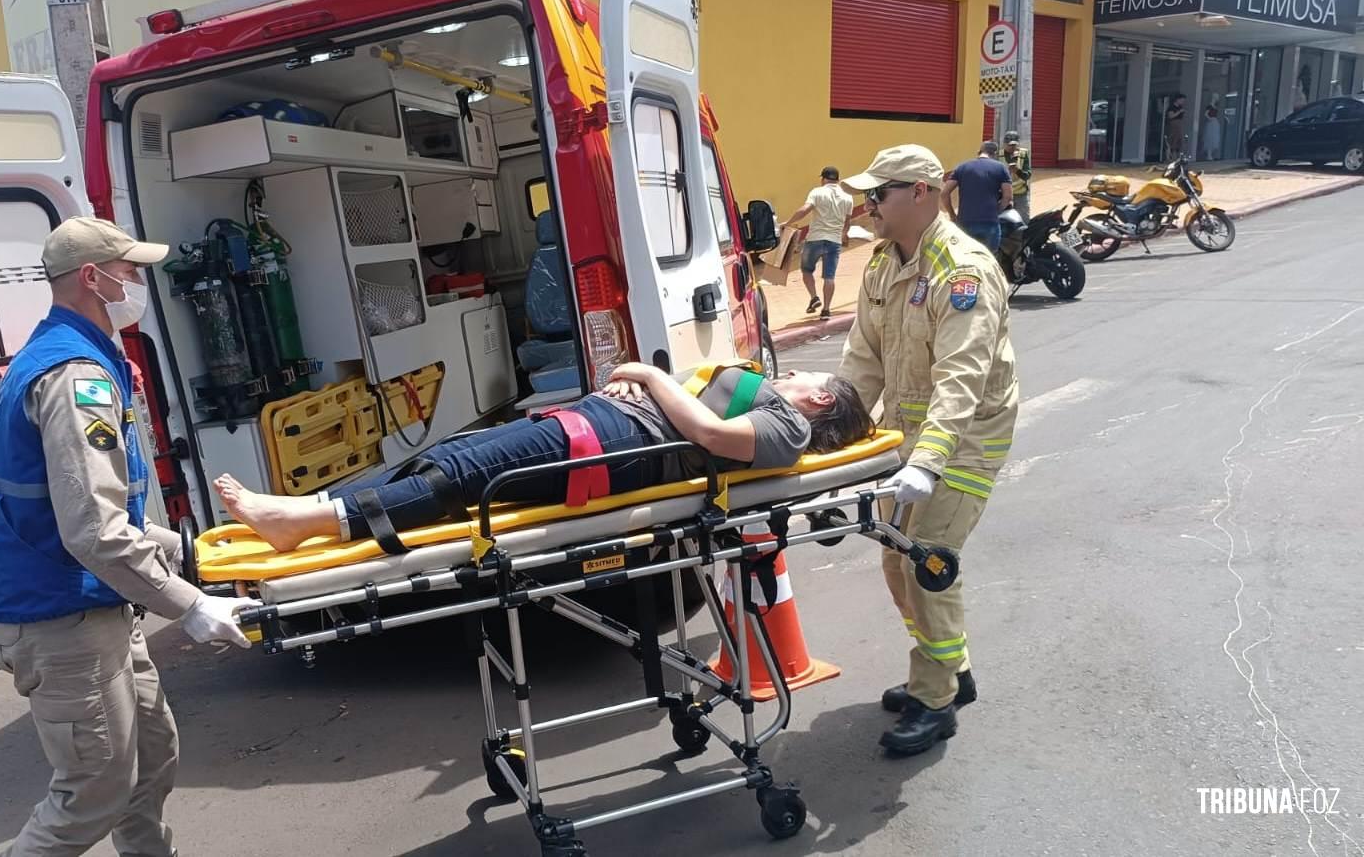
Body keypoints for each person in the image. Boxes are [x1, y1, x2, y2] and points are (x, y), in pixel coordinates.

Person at [0, 216, 257, 856]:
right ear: (92, 278)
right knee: (93, 792)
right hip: (60, 615)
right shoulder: (76, 378)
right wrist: (191, 606)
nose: (137, 283)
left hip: (95, 603)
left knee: (152, 758)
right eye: (129, 271)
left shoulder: (71, 354)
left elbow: (99, 514)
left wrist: (189, 550)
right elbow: (94, 532)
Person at [214, 365, 874, 550]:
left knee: (460, 478)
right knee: (451, 457)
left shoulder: (788, 427)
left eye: (807, 376)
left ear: (819, 397)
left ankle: (310, 523)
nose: (792, 378)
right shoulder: (774, 405)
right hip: (613, 425)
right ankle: (310, 510)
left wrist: (643, 372)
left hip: (621, 446)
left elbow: (707, 432)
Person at [838, 144, 1019, 757]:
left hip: (965, 440)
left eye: (878, 194)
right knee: (896, 562)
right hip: (907, 441)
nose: (868, 207)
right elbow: (863, 362)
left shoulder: (963, 272)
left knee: (928, 565)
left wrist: (929, 460)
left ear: (920, 192)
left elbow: (961, 378)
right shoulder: (882, 265)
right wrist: (833, 443)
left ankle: (935, 701)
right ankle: (951, 669)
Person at [780, 166, 853, 319]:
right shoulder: (848, 196)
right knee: (829, 277)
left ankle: (814, 297)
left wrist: (788, 222)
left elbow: (805, 209)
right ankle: (826, 310)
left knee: (806, 270)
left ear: (823, 179)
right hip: (834, 241)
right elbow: (847, 222)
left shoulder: (817, 192)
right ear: (838, 179)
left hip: (815, 239)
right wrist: (844, 235)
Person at [941, 141, 1012, 251]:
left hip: (965, 222)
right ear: (995, 154)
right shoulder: (1001, 168)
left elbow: (944, 193)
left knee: (965, 258)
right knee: (989, 259)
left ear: (978, 152)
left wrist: (952, 214)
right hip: (990, 223)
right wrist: (996, 211)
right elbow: (1007, 197)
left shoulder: (962, 167)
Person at [1002, 131, 1032, 219]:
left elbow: (1027, 175)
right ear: (1004, 144)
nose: (1012, 147)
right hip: (1003, 194)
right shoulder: (998, 155)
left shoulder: (1023, 154)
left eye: (1014, 145)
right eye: (1010, 145)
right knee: (1003, 218)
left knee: (1023, 219)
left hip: (1020, 193)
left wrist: (1017, 171)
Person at [1164, 94, 1187, 161]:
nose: (1183, 102)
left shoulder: (1180, 107)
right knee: (1171, 141)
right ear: (1177, 99)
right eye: (1182, 100)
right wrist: (1179, 112)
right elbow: (1170, 116)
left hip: (1179, 125)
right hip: (1173, 125)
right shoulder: (1171, 107)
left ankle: (1175, 158)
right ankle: (1168, 158)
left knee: (1177, 142)